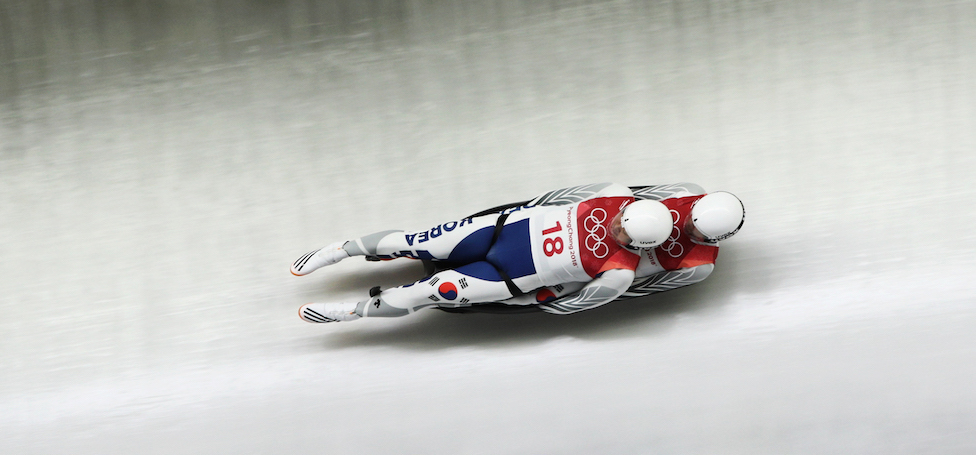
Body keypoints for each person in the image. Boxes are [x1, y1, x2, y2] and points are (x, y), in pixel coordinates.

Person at [291, 182, 744, 322]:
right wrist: (525, 208)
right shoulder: (623, 199)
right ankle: (342, 249)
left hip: (512, 276)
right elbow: (566, 194)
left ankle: (352, 310)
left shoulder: (624, 270)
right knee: (419, 240)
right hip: (501, 232)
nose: (615, 229)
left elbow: (603, 297)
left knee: (433, 291)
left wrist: (537, 300)